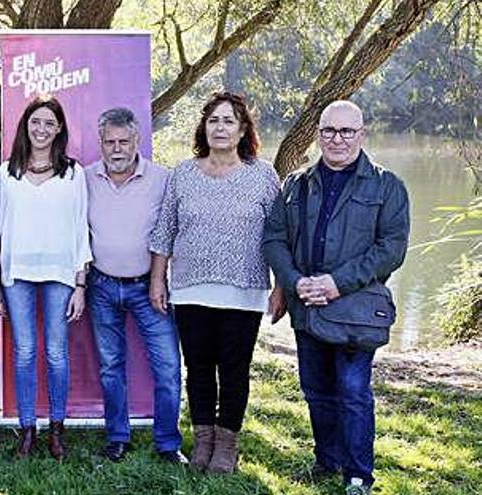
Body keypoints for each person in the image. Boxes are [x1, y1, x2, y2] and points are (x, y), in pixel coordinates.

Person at [263, 100, 409, 495]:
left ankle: (358, 474)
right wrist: (292, 282)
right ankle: (327, 460)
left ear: (362, 134)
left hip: (355, 311)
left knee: (352, 392)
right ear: (318, 134)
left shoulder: (386, 186)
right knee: (315, 389)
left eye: (346, 131)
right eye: (329, 131)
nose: (337, 139)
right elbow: (274, 238)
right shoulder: (296, 184)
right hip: (306, 307)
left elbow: (390, 249)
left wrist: (337, 283)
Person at [149, 91, 285, 474]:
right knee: (199, 370)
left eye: (228, 121)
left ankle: (227, 445)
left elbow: (279, 235)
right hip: (190, 289)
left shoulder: (262, 176)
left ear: (243, 130)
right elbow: (164, 232)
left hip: (244, 291)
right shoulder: (183, 174)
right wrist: (158, 279)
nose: (220, 127)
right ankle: (203, 441)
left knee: (234, 371)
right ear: (203, 127)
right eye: (213, 120)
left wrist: (281, 286)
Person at [85, 107, 186, 464]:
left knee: (168, 367)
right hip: (101, 285)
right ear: (100, 142)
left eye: (123, 141)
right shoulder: (85, 178)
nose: (116, 149)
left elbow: (171, 232)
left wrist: (159, 278)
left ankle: (168, 443)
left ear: (137, 141)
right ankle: (117, 436)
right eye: (109, 142)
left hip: (149, 288)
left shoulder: (163, 179)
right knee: (111, 365)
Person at [0, 95, 91, 460]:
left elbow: (81, 229)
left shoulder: (73, 172)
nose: (42, 129)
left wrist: (80, 284)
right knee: (23, 352)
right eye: (36, 122)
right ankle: (27, 430)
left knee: (55, 352)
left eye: (49, 123)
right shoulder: (6, 173)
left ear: (59, 129)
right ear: (25, 126)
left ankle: (56, 429)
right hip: (16, 274)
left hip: (60, 273)